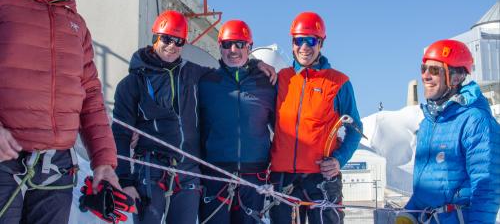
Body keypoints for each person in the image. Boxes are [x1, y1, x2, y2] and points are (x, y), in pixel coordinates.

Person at [0, 0, 118, 224]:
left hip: (56, 170)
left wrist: (103, 161)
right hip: (4, 163)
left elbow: (91, 95)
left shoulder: (75, 24)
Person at [112, 12, 276, 224]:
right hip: (152, 169)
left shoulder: (195, 74)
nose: (172, 45)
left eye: (178, 41)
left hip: (188, 171)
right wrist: (124, 179)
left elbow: (231, 69)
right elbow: (120, 134)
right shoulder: (132, 83)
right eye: (166, 39)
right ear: (155, 38)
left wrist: (255, 64)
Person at [269, 12, 363, 224]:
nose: (304, 47)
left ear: (321, 43)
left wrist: (339, 160)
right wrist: (258, 65)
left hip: (321, 181)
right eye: (298, 40)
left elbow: (355, 127)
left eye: (311, 40)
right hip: (283, 178)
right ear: (292, 42)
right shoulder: (281, 78)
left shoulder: (338, 82)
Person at [396, 39, 500, 224]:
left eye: (434, 70)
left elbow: (487, 189)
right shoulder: (429, 122)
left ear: (456, 77)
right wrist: (409, 213)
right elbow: (427, 186)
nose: (426, 76)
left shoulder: (476, 121)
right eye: (423, 69)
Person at [198, 20, 276, 224]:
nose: (233, 50)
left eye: (240, 44)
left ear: (249, 47)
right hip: (216, 175)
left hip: (254, 175)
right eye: (227, 44)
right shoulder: (205, 81)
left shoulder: (267, 83)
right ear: (220, 47)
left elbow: (281, 128)